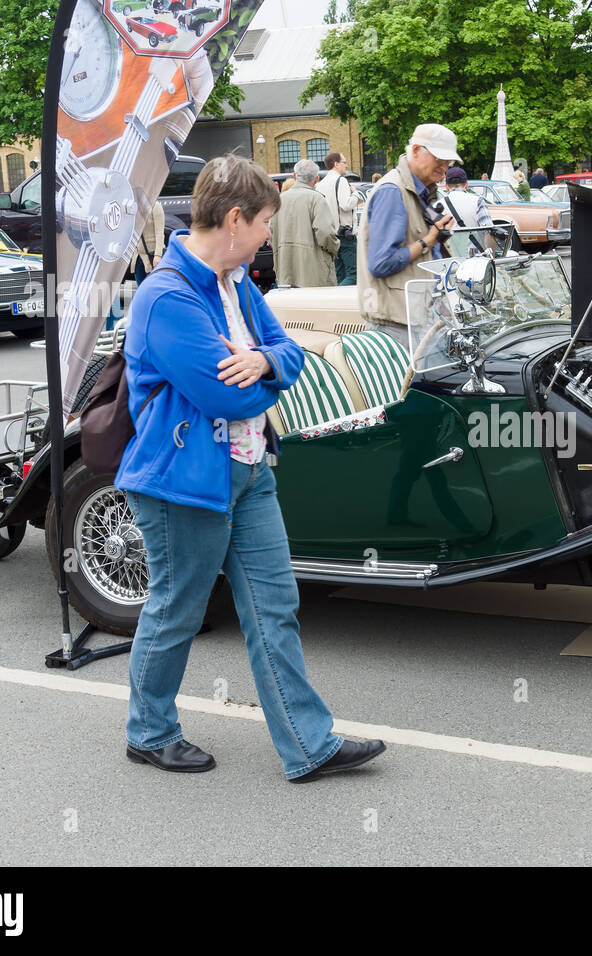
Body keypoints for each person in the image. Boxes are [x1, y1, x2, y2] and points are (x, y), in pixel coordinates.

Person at [116, 154, 384, 781]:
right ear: (235, 220)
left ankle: (308, 745)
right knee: (177, 608)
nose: (270, 233)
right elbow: (226, 396)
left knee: (274, 606)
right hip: (183, 481)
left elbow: (286, 352)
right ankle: (148, 731)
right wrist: (269, 375)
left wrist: (263, 363)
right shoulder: (166, 298)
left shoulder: (235, 282)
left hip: (248, 469)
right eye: (265, 222)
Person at [358, 123, 458, 336]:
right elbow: (380, 263)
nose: (445, 167)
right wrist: (427, 241)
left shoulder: (417, 190)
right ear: (415, 150)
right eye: (439, 159)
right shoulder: (393, 191)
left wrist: (437, 234)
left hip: (414, 315)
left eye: (448, 161)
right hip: (397, 323)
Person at [270, 158, 339, 288]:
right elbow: (325, 232)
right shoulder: (317, 199)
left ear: (295, 176)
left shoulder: (279, 200)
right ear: (317, 179)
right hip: (314, 272)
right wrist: (334, 248)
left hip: (285, 268)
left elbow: (270, 232)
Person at [319, 151, 359, 286]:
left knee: (339, 274)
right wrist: (356, 195)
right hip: (346, 234)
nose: (347, 166)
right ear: (336, 164)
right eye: (344, 162)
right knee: (354, 275)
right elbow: (345, 204)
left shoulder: (321, 183)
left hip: (331, 235)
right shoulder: (341, 181)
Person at [134, 198, 165, 286]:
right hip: (138, 257)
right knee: (141, 289)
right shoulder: (134, 208)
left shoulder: (155, 206)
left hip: (152, 256)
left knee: (155, 288)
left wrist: (158, 255)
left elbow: (160, 233)